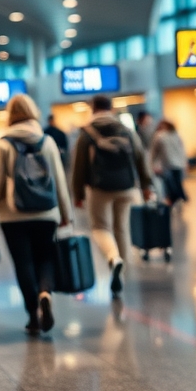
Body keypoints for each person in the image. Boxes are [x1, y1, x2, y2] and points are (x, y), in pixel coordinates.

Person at [0, 95, 72, 335]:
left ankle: (33, 314)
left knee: (23, 263)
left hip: (12, 215)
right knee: (45, 257)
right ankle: (45, 292)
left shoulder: (2, 143)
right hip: (46, 212)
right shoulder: (48, 141)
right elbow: (60, 181)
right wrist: (65, 213)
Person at [71, 95, 153, 293]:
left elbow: (79, 165)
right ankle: (122, 277)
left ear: (93, 109)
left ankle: (113, 258)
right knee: (121, 229)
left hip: (99, 188)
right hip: (126, 186)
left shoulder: (87, 133)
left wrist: (78, 193)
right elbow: (140, 157)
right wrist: (146, 185)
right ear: (111, 108)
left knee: (100, 227)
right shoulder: (125, 130)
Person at [149, 120, 188, 206]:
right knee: (176, 184)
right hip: (178, 164)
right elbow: (182, 150)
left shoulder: (159, 136)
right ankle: (180, 198)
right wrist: (184, 162)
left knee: (171, 187)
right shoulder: (177, 135)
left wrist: (152, 165)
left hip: (168, 165)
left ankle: (175, 200)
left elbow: (154, 153)